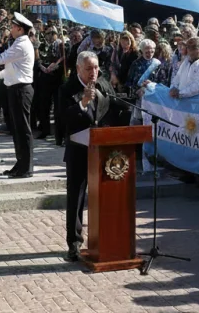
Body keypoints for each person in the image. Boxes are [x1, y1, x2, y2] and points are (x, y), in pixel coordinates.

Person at [59, 50, 129, 262]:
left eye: (96, 68)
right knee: (76, 197)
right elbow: (63, 118)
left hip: (103, 151)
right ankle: (74, 243)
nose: (93, 72)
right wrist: (82, 103)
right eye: (89, 68)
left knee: (105, 195)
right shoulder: (67, 88)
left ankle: (106, 239)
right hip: (78, 151)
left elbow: (116, 105)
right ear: (78, 69)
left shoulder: (104, 84)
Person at [0, 12, 35, 178]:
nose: (11, 29)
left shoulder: (21, 44)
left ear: (20, 29)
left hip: (21, 90)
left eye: (14, 26)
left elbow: (0, 59)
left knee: (23, 130)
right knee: (16, 130)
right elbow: (11, 69)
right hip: (15, 88)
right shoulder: (18, 43)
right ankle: (20, 163)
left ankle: (26, 167)